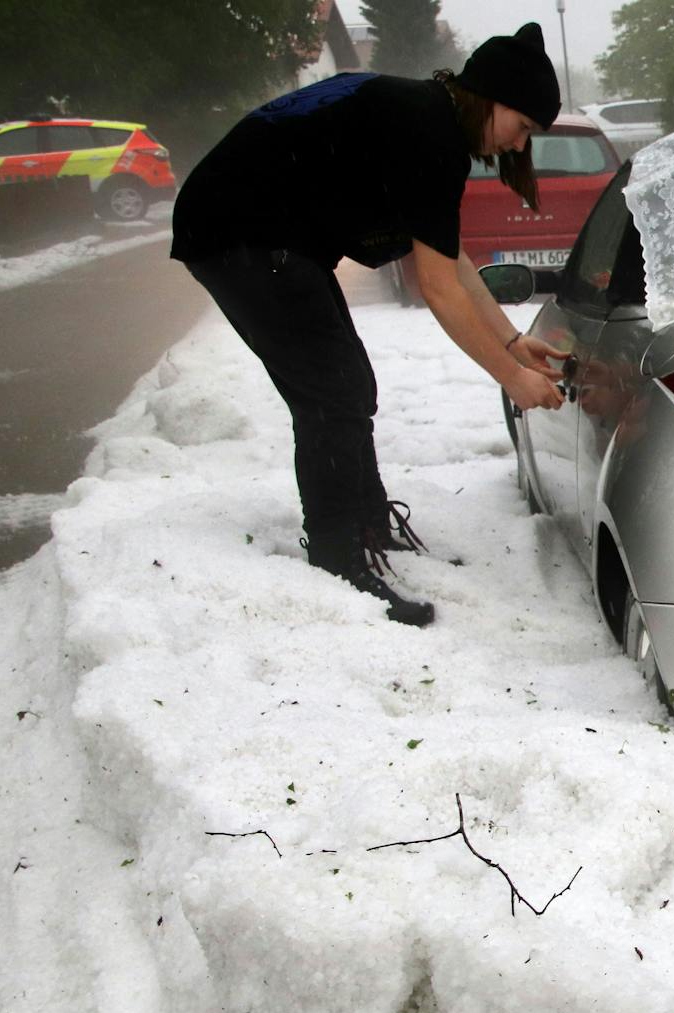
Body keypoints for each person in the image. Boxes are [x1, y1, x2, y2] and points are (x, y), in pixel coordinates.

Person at [170, 24, 569, 627]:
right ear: (494, 98)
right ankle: (338, 561)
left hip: (269, 236)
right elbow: (437, 289)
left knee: (349, 386)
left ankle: (367, 530)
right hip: (239, 234)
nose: (518, 147)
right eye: (523, 129)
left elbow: (450, 261)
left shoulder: (426, 115)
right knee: (332, 394)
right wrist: (510, 377)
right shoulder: (429, 131)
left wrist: (512, 342)